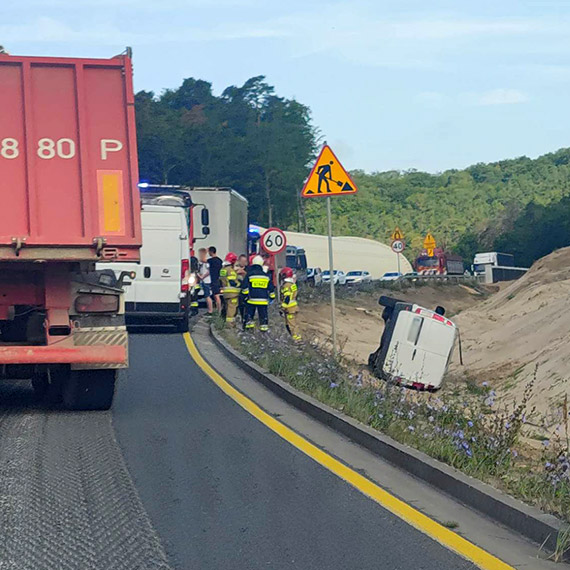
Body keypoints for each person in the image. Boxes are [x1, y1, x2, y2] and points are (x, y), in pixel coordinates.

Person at [241, 255, 275, 332]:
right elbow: (271, 289)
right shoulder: (266, 276)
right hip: (263, 301)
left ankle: (249, 331)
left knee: (249, 316)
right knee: (263, 317)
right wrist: (272, 298)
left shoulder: (249, 274)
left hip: (251, 301)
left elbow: (244, 287)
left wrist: (245, 296)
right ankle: (264, 332)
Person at [280, 267, 301, 341]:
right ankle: (297, 338)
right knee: (294, 324)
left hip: (289, 308)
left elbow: (287, 297)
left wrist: (282, 307)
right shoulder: (292, 284)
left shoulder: (286, 285)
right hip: (294, 307)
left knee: (291, 325)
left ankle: (296, 340)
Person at [220, 252, 241, 325]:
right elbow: (233, 282)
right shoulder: (230, 271)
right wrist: (240, 284)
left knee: (227, 307)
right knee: (232, 308)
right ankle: (230, 324)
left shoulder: (223, 269)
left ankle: (224, 321)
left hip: (226, 292)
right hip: (232, 293)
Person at [198, 248, 213, 315]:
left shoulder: (207, 262)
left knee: (207, 296)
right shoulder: (202, 261)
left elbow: (209, 271)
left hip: (206, 281)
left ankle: (210, 311)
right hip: (204, 281)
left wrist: (202, 276)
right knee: (206, 296)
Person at [208, 246, 223, 312]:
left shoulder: (212, 260)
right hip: (219, 279)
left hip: (214, 280)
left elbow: (202, 260)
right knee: (216, 295)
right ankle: (218, 309)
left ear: (211, 252)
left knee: (216, 296)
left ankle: (218, 310)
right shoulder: (219, 260)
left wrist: (204, 252)